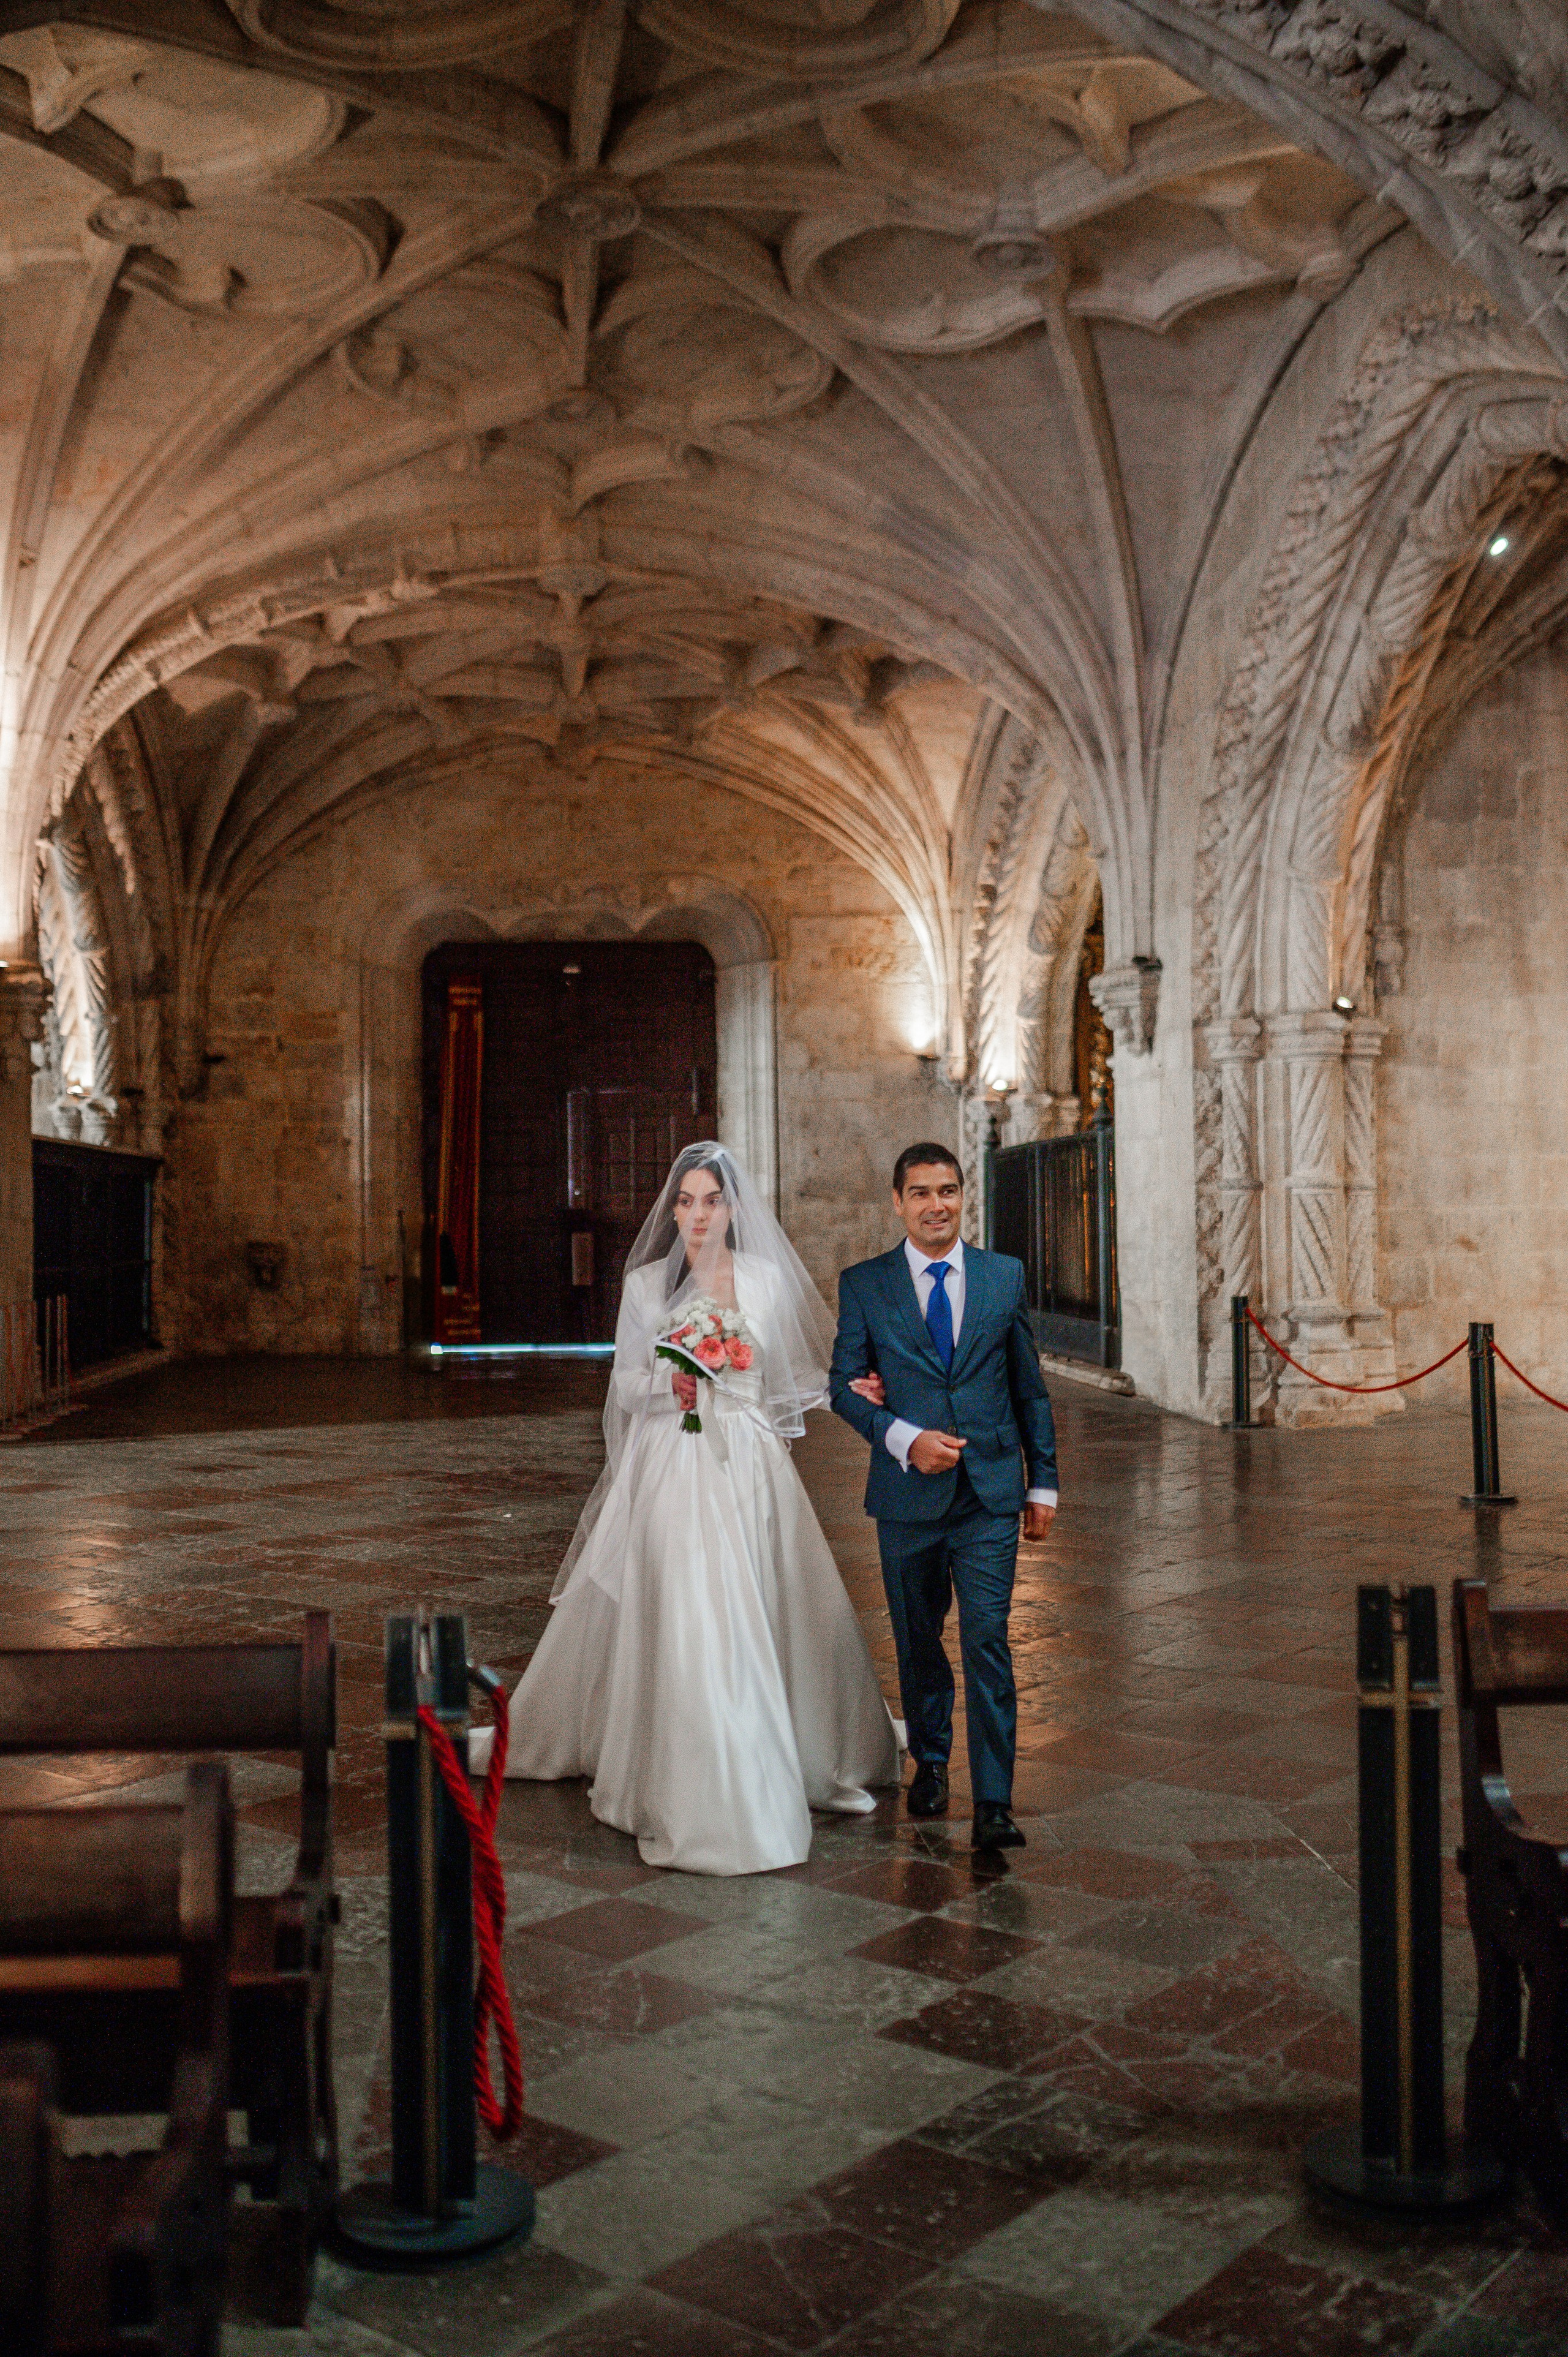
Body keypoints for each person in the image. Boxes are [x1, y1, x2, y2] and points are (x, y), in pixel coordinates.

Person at [470, 1143, 899, 1874]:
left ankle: (784, 1748)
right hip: (672, 1458)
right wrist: (667, 1388)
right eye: (687, 1201)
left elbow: (795, 1373)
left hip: (750, 1460)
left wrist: (847, 1391)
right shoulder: (646, 1285)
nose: (699, 1214)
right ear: (673, 1210)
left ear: (733, 1209)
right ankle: (690, 1766)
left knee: (769, 1597)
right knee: (688, 1605)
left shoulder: (764, 1281)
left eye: (712, 1200)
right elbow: (624, 1382)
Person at [829, 1142, 1058, 1851]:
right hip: (905, 1496)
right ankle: (930, 1760)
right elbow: (841, 1386)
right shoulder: (866, 1283)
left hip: (989, 1491)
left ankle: (995, 1798)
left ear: (964, 1197)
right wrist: (900, 1434)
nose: (937, 1204)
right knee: (918, 1638)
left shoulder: (1002, 1275)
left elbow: (1028, 1385)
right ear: (897, 1201)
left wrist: (1042, 1480)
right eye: (921, 1192)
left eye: (949, 1190)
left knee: (988, 1638)